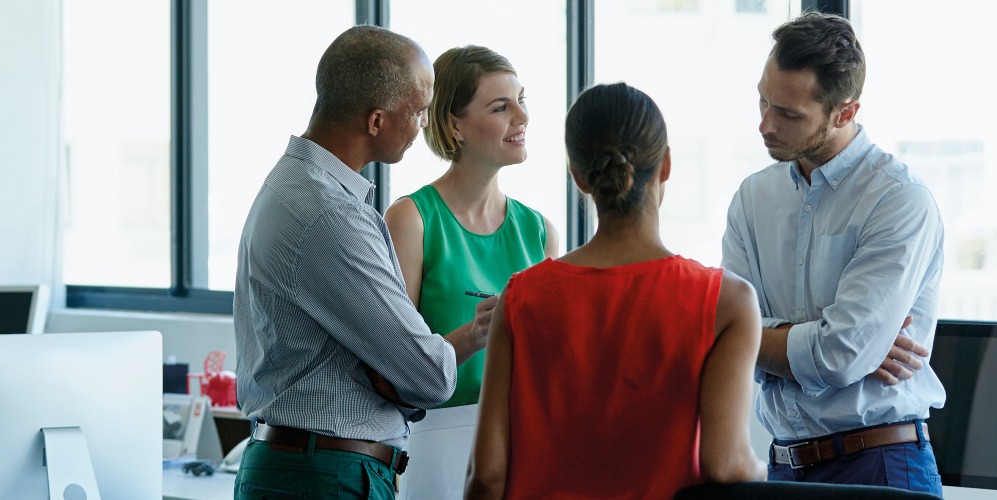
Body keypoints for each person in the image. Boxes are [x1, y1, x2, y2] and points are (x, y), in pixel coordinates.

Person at [467, 82, 766, 498]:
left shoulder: (521, 298)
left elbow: (487, 476)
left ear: (578, 177)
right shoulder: (726, 302)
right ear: (665, 165)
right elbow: (725, 462)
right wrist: (764, 471)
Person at [231, 25, 488, 499]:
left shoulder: (293, 184)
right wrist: (470, 336)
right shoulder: (330, 214)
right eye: (418, 111)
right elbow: (428, 376)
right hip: (326, 476)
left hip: (308, 466)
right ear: (376, 121)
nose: (423, 125)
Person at [722, 12, 945, 493]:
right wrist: (845, 345)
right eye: (763, 100)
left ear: (845, 112)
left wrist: (756, 337)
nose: (765, 124)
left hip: (881, 466)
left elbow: (839, 355)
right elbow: (721, 332)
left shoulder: (898, 200)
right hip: (784, 465)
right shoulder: (751, 198)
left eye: (789, 114)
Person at [381, 44, 559, 500]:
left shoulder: (540, 231)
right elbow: (393, 367)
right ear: (454, 125)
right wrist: (476, 333)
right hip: (436, 446)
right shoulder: (411, 220)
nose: (522, 116)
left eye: (522, 100)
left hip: (527, 445)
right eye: (501, 107)